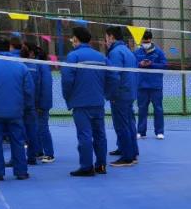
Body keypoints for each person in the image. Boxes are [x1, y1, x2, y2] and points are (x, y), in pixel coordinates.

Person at [0, 36, 35, 181]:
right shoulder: (20, 65)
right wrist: (27, 107)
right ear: (8, 47)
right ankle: (21, 171)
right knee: (18, 140)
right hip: (16, 111)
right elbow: (29, 90)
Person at [62, 27, 110, 177]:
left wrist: (68, 98)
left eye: (72, 38)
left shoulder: (73, 56)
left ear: (76, 39)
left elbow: (67, 80)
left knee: (84, 135)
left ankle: (86, 167)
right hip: (98, 102)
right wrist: (105, 94)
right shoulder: (101, 57)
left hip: (81, 104)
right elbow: (113, 77)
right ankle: (101, 165)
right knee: (100, 134)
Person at [102, 26, 138, 167]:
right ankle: (130, 151)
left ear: (111, 37)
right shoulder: (128, 51)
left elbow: (114, 76)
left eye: (106, 37)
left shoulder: (115, 53)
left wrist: (110, 94)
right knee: (129, 123)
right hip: (129, 92)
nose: (105, 41)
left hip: (120, 94)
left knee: (122, 125)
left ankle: (127, 157)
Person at [134, 30, 167, 140]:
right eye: (144, 41)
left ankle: (159, 132)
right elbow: (133, 64)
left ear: (151, 40)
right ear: (141, 40)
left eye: (147, 41)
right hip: (141, 86)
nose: (145, 43)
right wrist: (140, 64)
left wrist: (151, 64)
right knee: (142, 109)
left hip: (155, 86)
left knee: (158, 109)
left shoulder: (159, 52)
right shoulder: (137, 52)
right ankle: (141, 132)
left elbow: (164, 65)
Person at [28, 45, 55, 163]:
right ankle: (39, 151)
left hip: (41, 104)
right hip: (35, 103)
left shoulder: (41, 65)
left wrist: (41, 104)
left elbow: (45, 86)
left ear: (32, 53)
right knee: (36, 128)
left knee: (43, 128)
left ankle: (49, 154)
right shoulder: (35, 64)